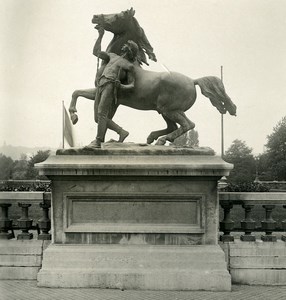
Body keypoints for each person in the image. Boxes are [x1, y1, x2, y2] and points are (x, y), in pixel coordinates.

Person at [88, 26, 138, 148]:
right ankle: (121, 132)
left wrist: (121, 86)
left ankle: (98, 141)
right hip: (101, 84)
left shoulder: (129, 66)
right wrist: (100, 36)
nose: (124, 46)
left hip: (110, 86)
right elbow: (96, 52)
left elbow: (132, 85)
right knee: (97, 117)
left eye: (127, 45)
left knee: (101, 113)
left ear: (130, 51)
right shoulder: (112, 56)